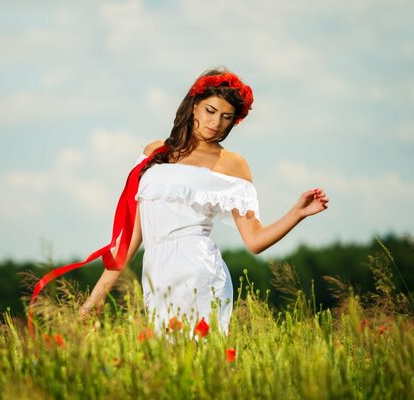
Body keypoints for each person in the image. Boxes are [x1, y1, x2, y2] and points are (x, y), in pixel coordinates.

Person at [78, 67, 329, 335]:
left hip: (198, 270)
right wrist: (97, 295)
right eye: (210, 111)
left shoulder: (232, 164)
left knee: (200, 361)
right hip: (156, 272)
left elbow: (255, 241)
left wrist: (297, 213)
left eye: (226, 117)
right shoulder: (155, 153)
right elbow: (131, 237)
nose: (216, 123)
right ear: (194, 105)